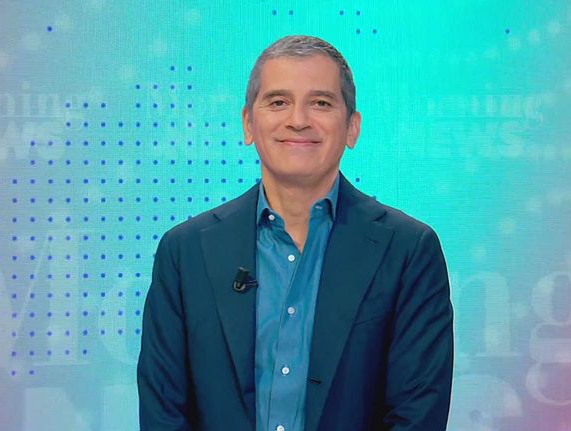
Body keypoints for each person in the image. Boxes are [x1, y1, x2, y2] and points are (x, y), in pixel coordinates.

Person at [138, 35, 453, 431]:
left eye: (320, 103)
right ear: (248, 124)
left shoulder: (408, 250)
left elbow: (417, 414)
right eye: (278, 102)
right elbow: (164, 412)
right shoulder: (185, 251)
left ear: (352, 128)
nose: (298, 120)